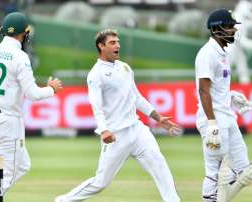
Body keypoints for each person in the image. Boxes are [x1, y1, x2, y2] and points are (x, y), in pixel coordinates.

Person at [55, 29, 181, 202]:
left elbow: (136, 97)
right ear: (101, 46)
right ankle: (63, 200)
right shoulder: (96, 74)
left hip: (137, 130)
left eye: (118, 42)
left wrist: (158, 118)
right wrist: (104, 130)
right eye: (112, 43)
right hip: (115, 135)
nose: (118, 45)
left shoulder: (124, 67)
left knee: (160, 165)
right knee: (101, 183)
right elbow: (96, 106)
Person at [0, 12, 62, 202]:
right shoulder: (20, 56)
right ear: (24, 34)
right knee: (8, 173)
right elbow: (33, 94)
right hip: (9, 122)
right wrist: (51, 89)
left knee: (22, 165)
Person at [194, 9, 252, 202]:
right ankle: (210, 199)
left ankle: (218, 199)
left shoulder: (222, 53)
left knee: (243, 172)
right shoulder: (207, 54)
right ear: (216, 29)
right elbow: (203, 90)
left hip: (227, 117)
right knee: (215, 171)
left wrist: (231, 96)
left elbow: (216, 87)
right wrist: (211, 123)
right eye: (229, 26)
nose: (233, 30)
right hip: (213, 119)